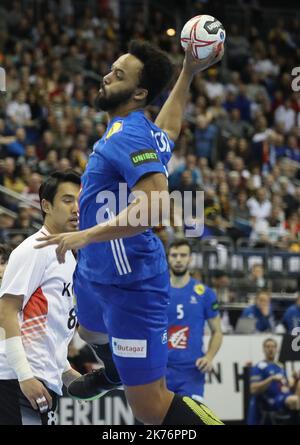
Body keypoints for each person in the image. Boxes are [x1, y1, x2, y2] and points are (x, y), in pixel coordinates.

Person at [36, 40, 224, 425]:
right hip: (96, 272)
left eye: (118, 75)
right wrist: (188, 72)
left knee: (150, 409)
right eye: (111, 68)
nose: (107, 75)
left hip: (132, 284)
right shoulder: (136, 129)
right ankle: (115, 373)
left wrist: (85, 236)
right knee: (88, 328)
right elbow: (168, 129)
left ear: (138, 93)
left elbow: (155, 205)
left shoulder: (128, 136)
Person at [0, 171, 81, 425]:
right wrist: (25, 376)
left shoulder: (67, 256)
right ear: (46, 205)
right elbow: (6, 310)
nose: (76, 208)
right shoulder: (35, 248)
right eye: (68, 200)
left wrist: (67, 373)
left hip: (43, 377)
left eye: (80, 200)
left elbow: (48, 326)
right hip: (16, 379)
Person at [166, 239, 223, 403]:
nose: (178, 259)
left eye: (183, 255)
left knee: (190, 420)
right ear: (168, 258)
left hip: (192, 371)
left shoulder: (205, 294)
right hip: (161, 370)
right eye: (174, 255)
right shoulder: (158, 292)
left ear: (190, 258)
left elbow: (217, 331)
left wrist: (209, 357)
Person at [247, 338, 300, 425]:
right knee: (294, 401)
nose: (270, 349)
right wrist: (270, 379)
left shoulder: (279, 366)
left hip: (285, 396)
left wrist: (295, 379)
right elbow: (253, 389)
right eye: (268, 347)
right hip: (273, 400)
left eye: (273, 347)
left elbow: (287, 386)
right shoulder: (259, 367)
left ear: (276, 349)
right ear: (263, 349)